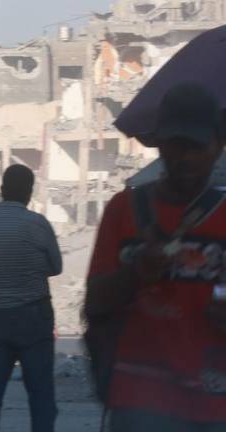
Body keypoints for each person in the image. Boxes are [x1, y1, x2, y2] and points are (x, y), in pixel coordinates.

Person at [84, 83, 226, 431]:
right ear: (159, 144)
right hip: (140, 398)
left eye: (197, 146)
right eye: (177, 145)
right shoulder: (125, 209)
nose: (186, 157)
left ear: (218, 146)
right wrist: (136, 272)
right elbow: (94, 305)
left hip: (215, 400)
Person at [0, 165, 62, 432]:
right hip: (33, 317)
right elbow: (56, 267)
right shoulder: (38, 223)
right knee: (41, 394)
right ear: (29, 193)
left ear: (1, 191)